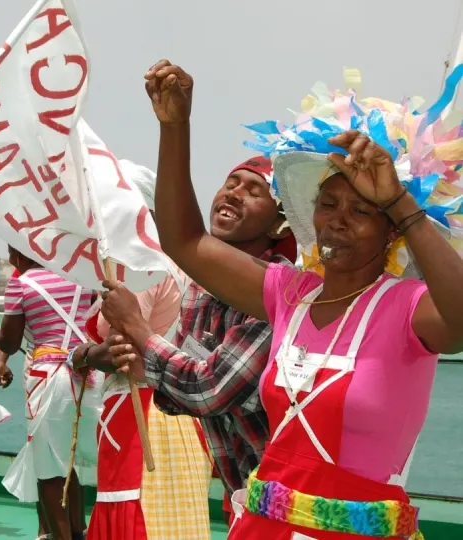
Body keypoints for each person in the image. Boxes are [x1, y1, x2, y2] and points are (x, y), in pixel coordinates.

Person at [106, 60, 463, 539]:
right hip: (261, 524)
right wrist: (176, 127)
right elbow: (185, 241)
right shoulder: (289, 294)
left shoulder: (407, 307)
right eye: (329, 204)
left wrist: (400, 200)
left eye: (361, 210)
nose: (338, 220)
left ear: (391, 230)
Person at [97, 155, 296, 526]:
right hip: (246, 493)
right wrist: (147, 365)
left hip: (288, 500)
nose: (234, 194)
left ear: (280, 225)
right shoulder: (201, 292)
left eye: (254, 191)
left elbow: (209, 390)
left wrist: (137, 328)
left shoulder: (280, 292)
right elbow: (185, 397)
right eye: (231, 183)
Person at [75, 160, 213, 540]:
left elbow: (123, 348)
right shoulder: (180, 264)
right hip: (182, 412)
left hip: (141, 412)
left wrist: (85, 355)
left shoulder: (138, 266)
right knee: (178, 521)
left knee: (136, 519)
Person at [0, 246, 101, 540]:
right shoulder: (83, 279)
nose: (9, 259)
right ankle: (79, 530)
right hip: (91, 374)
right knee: (77, 460)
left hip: (48, 379)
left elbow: (8, 343)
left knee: (49, 466)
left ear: (21, 253)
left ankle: (59, 536)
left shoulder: (21, 284)